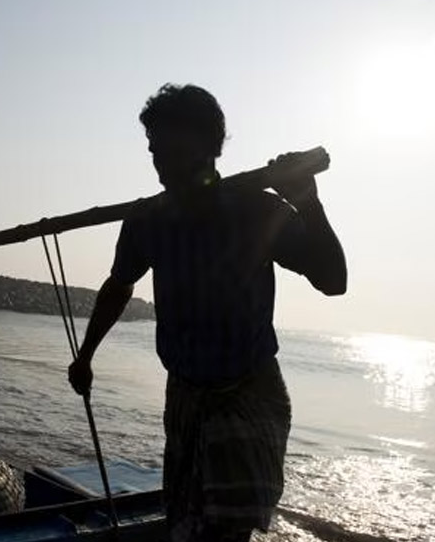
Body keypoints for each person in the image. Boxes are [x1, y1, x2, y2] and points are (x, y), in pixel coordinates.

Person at [67, 84, 347, 542]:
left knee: (226, 530)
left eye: (172, 149)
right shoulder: (148, 220)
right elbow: (119, 286)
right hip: (185, 395)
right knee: (183, 525)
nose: (160, 163)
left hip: (248, 392)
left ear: (208, 146)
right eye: (154, 151)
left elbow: (333, 281)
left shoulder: (257, 209)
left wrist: (308, 202)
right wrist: (86, 355)